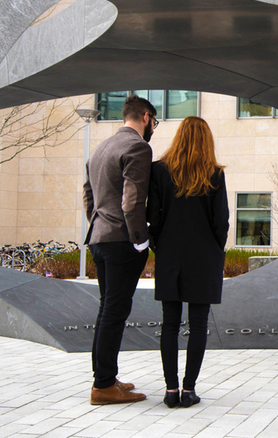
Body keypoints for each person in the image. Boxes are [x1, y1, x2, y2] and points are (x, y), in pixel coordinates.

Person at [148, 116, 229, 409]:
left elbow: (153, 217)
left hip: (170, 254)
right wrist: (215, 251)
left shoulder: (158, 171)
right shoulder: (215, 174)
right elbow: (221, 222)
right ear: (207, 140)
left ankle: (170, 390)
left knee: (169, 323)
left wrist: (160, 246)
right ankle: (188, 390)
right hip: (204, 256)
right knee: (198, 324)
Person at [82, 95, 158, 405]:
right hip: (121, 241)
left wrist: (100, 224)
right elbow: (132, 200)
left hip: (99, 238)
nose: (154, 127)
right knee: (115, 310)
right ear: (145, 116)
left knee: (107, 309)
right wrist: (141, 240)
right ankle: (102, 386)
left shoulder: (100, 148)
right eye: (154, 121)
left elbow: (89, 196)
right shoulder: (138, 147)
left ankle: (106, 377)